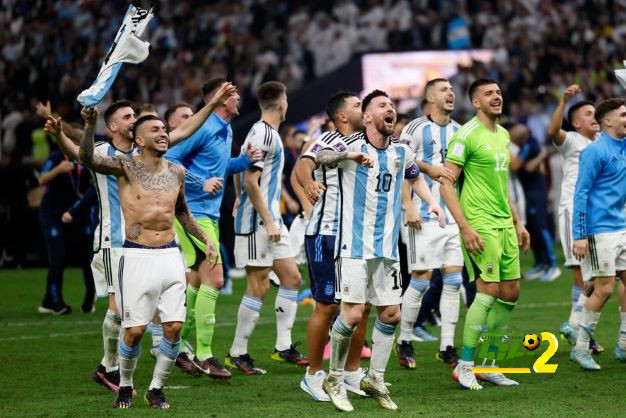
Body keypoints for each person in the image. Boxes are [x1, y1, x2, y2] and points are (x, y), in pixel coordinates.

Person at [44, 86, 235, 393]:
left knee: (156, 309)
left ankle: (159, 355)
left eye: (135, 115)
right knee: (120, 312)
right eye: (127, 116)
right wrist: (63, 132)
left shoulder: (144, 153)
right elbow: (79, 154)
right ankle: (110, 367)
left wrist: (212, 103)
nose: (134, 119)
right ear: (114, 126)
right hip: (113, 240)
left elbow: (185, 130)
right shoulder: (109, 155)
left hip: (152, 246)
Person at [79, 107, 219, 409]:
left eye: (163, 129)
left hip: (170, 255)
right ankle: (125, 385)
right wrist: (90, 127)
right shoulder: (125, 167)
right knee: (134, 331)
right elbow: (87, 159)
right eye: (154, 130)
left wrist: (207, 240)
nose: (163, 133)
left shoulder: (176, 171)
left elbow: (182, 212)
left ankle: (156, 389)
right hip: (136, 255)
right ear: (139, 140)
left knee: (173, 328)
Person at [317, 90, 444, 412]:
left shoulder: (401, 151)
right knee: (354, 313)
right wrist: (348, 157)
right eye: (382, 105)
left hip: (387, 249)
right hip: (353, 248)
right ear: (368, 116)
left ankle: (374, 377)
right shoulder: (351, 144)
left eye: (392, 105)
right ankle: (333, 377)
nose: (391, 109)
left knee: (391, 313)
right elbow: (320, 157)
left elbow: (415, 178)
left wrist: (432, 205)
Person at [165, 79, 260, 379]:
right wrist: (198, 183)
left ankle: (178, 348)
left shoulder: (225, 128)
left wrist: (243, 161)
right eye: (232, 94)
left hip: (209, 214)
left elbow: (217, 168)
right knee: (215, 278)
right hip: (192, 213)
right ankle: (204, 354)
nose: (238, 98)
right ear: (220, 100)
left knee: (196, 281)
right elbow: (169, 160)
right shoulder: (204, 127)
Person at [440, 79, 530, 391]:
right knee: (488, 290)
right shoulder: (466, 135)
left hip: (504, 223)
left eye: (499, 92)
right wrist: (465, 227)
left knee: (511, 293)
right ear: (476, 102)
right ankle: (464, 366)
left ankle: (489, 364)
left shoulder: (503, 134)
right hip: (480, 224)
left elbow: (501, 186)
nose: (496, 97)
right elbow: (445, 183)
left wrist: (518, 221)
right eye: (489, 94)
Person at [294, 91, 372, 401]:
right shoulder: (329, 140)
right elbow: (303, 165)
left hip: (358, 236)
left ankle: (352, 373)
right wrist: (309, 182)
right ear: (341, 116)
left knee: (362, 309)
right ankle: (313, 375)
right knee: (326, 307)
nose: (361, 108)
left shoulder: (369, 142)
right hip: (326, 233)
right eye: (356, 105)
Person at [228, 81, 307, 374]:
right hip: (258, 222)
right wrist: (267, 218)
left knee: (292, 277)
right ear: (282, 102)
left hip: (269, 218)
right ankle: (238, 351)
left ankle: (283, 346)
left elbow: (241, 165)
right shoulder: (262, 132)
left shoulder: (265, 133)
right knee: (258, 286)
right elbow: (250, 179)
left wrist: (238, 197)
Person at [396, 78, 463, 369]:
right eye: (443, 90)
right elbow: (400, 163)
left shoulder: (461, 131)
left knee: (453, 280)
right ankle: (405, 339)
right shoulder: (415, 128)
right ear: (430, 98)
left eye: (451, 89)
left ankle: (447, 345)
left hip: (451, 218)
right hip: (420, 216)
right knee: (421, 280)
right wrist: (408, 204)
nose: (450, 93)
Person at [571, 98, 626, 370]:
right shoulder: (594, 151)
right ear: (608, 121)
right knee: (603, 289)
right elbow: (580, 193)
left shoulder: (624, 145)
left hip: (622, 226)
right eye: (624, 115)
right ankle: (581, 348)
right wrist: (579, 234)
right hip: (600, 230)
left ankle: (624, 344)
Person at [547, 85, 603, 350]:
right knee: (582, 274)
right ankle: (581, 330)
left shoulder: (603, 141)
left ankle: (577, 326)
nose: (595, 116)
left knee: (594, 275)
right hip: (572, 210)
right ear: (577, 122)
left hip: (598, 214)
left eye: (596, 112)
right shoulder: (571, 140)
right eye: (588, 113)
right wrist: (563, 102)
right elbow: (552, 132)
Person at [37, 150, 92, 315]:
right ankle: (56, 302)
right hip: (51, 214)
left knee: (71, 257)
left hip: (71, 214)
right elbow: (41, 179)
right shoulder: (56, 157)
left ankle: (48, 301)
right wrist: (58, 169)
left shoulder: (84, 160)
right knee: (57, 257)